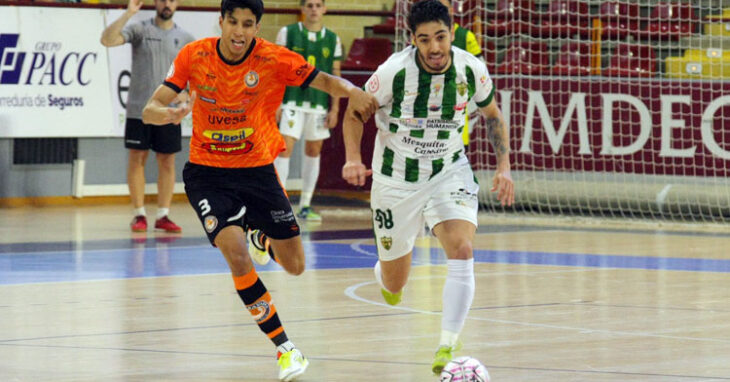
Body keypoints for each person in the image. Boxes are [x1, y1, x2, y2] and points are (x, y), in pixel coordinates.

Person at [141, 0, 378, 380]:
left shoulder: (273, 58)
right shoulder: (194, 55)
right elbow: (150, 106)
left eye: (247, 24)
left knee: (296, 267)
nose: (238, 31)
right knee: (235, 256)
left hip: (257, 172)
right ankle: (286, 349)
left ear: (257, 27)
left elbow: (324, 80)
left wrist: (354, 90)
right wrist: (166, 114)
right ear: (221, 21)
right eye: (232, 22)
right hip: (207, 173)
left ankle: (260, 235)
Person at [341, 0, 514, 375]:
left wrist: (504, 166)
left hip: (448, 171)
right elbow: (355, 111)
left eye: (440, 37)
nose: (434, 48)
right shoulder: (392, 72)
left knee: (462, 248)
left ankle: (447, 346)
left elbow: (493, 116)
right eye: (424, 40)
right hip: (396, 181)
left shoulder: (472, 69)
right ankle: (386, 271)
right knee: (394, 286)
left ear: (453, 34)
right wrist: (353, 157)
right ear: (412, 41)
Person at [101, 0, 194, 233]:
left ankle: (163, 215)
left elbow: (197, 76)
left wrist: (187, 97)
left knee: (167, 160)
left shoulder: (186, 38)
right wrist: (128, 13)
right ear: (155, 2)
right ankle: (139, 214)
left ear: (177, 4)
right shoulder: (140, 29)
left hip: (168, 111)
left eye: (172, 0)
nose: (167, 4)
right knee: (137, 157)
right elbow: (107, 40)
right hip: (138, 109)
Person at [273, 0, 343, 222]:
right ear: (302, 9)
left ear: (324, 9)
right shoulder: (288, 33)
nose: (313, 9)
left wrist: (336, 108)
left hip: (319, 103)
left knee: (314, 151)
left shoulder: (333, 39)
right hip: (292, 101)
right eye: (309, 5)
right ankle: (279, 203)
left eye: (317, 5)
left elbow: (336, 77)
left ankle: (305, 205)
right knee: (284, 149)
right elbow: (276, 71)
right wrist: (275, 104)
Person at [438, 0, 484, 151]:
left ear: (451, 10)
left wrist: (464, 90)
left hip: (457, 112)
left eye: (443, 7)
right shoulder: (422, 38)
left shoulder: (466, 37)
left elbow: (480, 72)